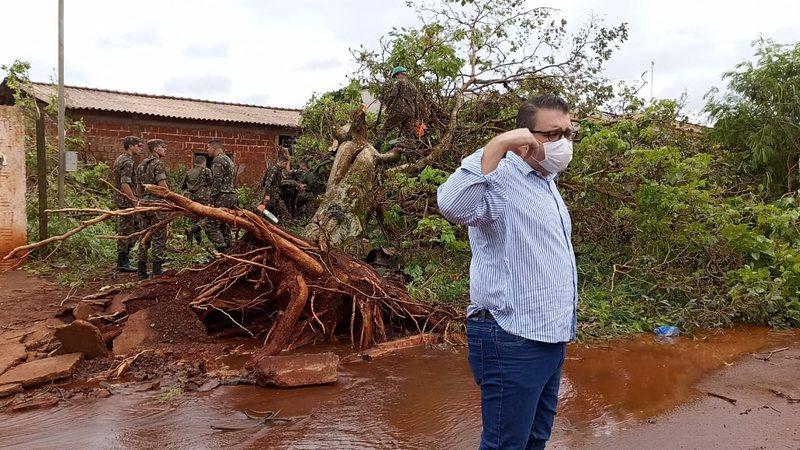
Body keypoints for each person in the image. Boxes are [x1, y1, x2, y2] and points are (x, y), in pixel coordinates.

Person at [437, 95, 578, 449]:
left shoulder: (546, 181)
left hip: (549, 335)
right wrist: (497, 145)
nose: (563, 143)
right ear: (524, 137)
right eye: (552, 134)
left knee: (535, 438)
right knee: (506, 444)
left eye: (568, 133)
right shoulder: (499, 175)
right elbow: (451, 205)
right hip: (511, 335)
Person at [135, 139, 170, 280]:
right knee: (159, 236)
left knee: (144, 237)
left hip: (143, 204)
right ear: (155, 149)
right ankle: (157, 271)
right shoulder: (158, 164)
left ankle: (141, 272)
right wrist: (171, 199)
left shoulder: (141, 165)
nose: (165, 149)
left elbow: (138, 188)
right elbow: (162, 187)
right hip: (156, 205)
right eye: (163, 147)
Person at [112, 136, 144, 272]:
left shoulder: (120, 158)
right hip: (126, 201)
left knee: (134, 226)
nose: (141, 149)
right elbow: (125, 184)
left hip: (122, 199)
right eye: (138, 146)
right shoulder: (127, 161)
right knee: (126, 230)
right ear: (130, 146)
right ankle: (122, 261)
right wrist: (134, 201)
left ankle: (124, 258)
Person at [376, 66, 419, 156]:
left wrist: (386, 106)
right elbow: (415, 104)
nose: (396, 77)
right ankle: (412, 157)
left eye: (396, 75)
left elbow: (392, 96)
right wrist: (416, 118)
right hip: (410, 113)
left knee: (385, 129)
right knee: (409, 134)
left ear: (400, 74)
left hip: (399, 110)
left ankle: (376, 149)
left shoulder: (399, 83)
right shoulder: (414, 87)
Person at [205, 139, 237, 252]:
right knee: (224, 224)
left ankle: (223, 251)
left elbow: (217, 181)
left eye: (208, 147)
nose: (207, 150)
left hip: (221, 196)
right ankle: (230, 251)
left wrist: (211, 199)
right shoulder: (228, 159)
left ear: (214, 148)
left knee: (210, 225)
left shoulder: (217, 160)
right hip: (231, 196)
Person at [181, 155, 213, 245]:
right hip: (203, 197)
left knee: (195, 218)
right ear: (204, 163)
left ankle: (197, 242)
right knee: (207, 218)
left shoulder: (189, 172)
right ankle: (192, 230)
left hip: (191, 198)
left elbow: (183, 186)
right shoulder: (206, 170)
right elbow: (211, 183)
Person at [257, 156, 290, 220]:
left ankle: (273, 221)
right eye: (285, 164)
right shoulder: (274, 169)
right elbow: (268, 182)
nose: (286, 166)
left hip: (276, 194)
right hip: (272, 194)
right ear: (281, 162)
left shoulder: (278, 170)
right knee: (264, 209)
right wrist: (267, 194)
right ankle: (258, 219)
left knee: (271, 209)